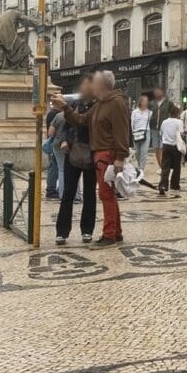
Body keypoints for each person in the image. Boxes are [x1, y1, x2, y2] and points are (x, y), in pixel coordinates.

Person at [50, 70, 128, 245]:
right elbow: (81, 120)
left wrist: (120, 157)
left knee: (106, 195)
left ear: (101, 85)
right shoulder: (100, 104)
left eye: (94, 82)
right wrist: (65, 107)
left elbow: (121, 131)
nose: (91, 85)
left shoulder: (116, 102)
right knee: (107, 195)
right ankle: (116, 231)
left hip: (107, 154)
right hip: (99, 154)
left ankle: (109, 234)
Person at [54, 76, 97, 245]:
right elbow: (66, 125)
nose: (83, 88)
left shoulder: (97, 107)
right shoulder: (74, 105)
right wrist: (64, 140)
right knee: (68, 194)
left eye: (86, 84)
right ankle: (62, 232)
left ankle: (87, 230)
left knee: (89, 194)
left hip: (91, 154)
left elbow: (86, 124)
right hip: (72, 154)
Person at [158, 105, 185, 195]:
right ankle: (175, 185)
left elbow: (161, 133)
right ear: (177, 113)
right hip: (175, 146)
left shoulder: (164, 122)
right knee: (177, 167)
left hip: (165, 146)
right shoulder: (179, 122)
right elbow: (181, 134)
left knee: (165, 167)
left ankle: (163, 185)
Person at [42, 100, 65, 198]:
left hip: (55, 144)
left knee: (56, 167)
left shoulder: (54, 114)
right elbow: (50, 132)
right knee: (56, 167)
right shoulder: (55, 114)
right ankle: (51, 190)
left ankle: (53, 189)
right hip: (56, 144)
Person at [130, 93, 152, 176]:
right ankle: (139, 165)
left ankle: (141, 169)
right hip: (136, 133)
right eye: (144, 101)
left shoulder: (149, 112)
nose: (146, 103)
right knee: (137, 152)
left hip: (146, 132)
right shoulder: (135, 112)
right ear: (140, 102)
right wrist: (133, 133)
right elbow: (132, 123)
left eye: (147, 101)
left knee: (144, 152)